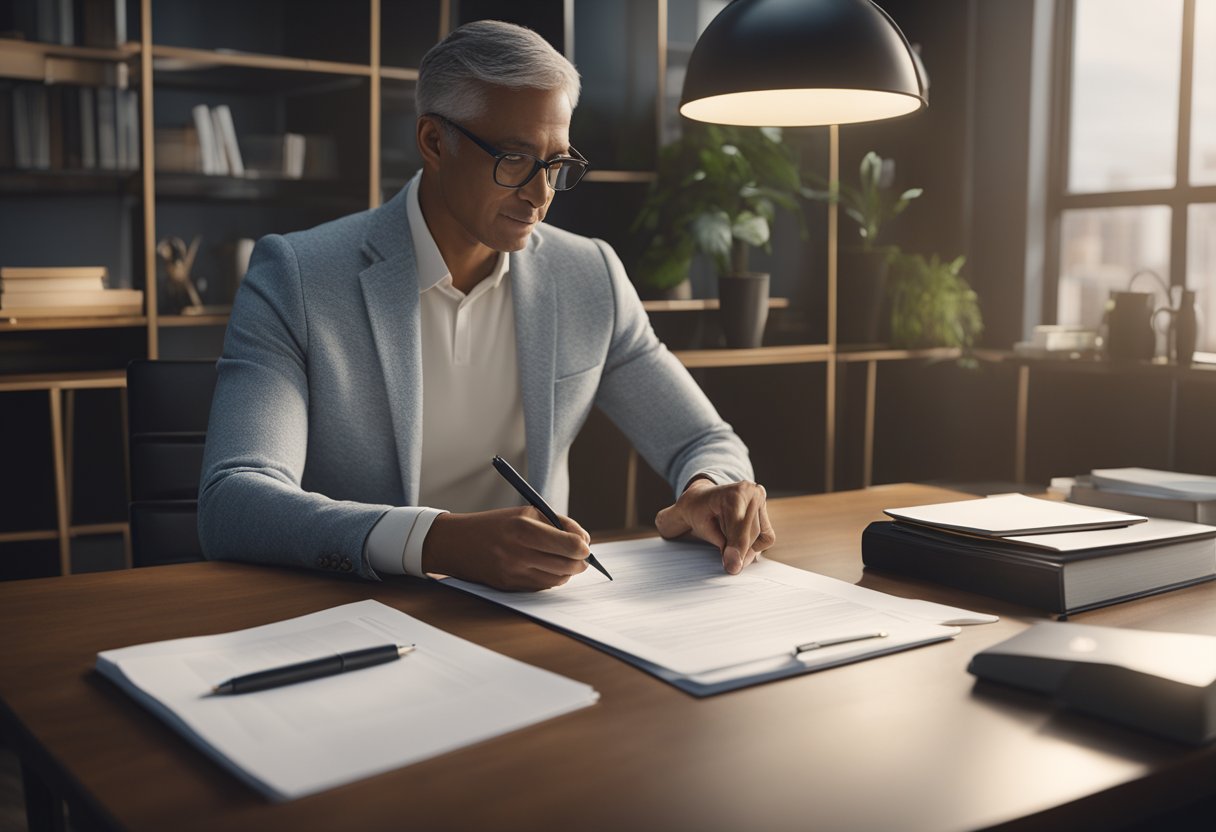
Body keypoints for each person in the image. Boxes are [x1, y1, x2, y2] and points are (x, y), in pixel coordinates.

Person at [198, 20, 775, 591]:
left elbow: (703, 440)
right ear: (433, 142)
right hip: (361, 615)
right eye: (515, 158)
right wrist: (435, 541)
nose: (541, 194)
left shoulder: (587, 275)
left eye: (556, 163)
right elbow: (235, 499)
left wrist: (709, 488)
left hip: (535, 618)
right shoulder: (299, 277)